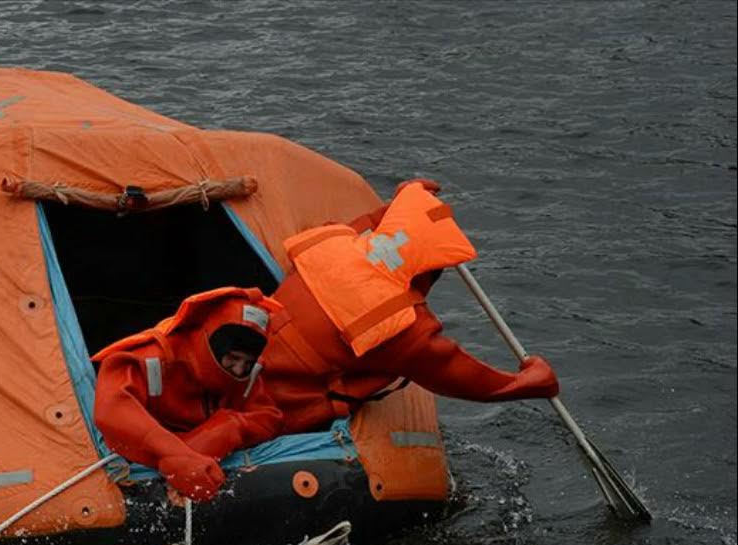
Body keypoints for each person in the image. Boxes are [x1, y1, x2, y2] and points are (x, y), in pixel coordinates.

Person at [262, 179, 561, 433]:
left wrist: (407, 199)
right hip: (280, 402)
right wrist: (528, 382)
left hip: (247, 350)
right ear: (427, 270)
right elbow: (462, 377)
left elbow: (374, 228)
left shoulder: (333, 242)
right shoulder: (406, 327)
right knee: (379, 369)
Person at [92, 287, 285, 503]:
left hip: (188, 463)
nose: (239, 370)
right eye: (233, 358)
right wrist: (175, 456)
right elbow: (112, 409)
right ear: (211, 343)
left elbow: (269, 418)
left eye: (247, 363)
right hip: (133, 467)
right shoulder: (151, 358)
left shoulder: (249, 375)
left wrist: (226, 430)